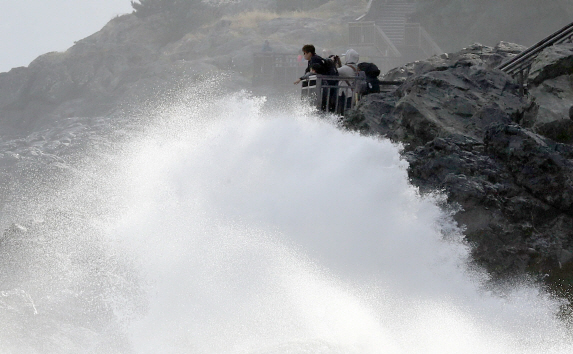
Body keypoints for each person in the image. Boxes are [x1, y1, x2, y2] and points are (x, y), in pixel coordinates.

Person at [294, 44, 338, 112]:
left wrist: (300, 78)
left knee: (323, 104)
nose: (304, 55)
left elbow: (313, 72)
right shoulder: (312, 59)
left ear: (309, 53)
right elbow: (308, 71)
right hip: (324, 84)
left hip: (325, 84)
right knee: (323, 104)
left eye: (304, 53)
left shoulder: (315, 59)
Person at [336, 49, 360, 114]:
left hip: (345, 93)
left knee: (343, 111)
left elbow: (335, 71)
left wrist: (333, 62)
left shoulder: (346, 68)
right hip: (352, 93)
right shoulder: (356, 67)